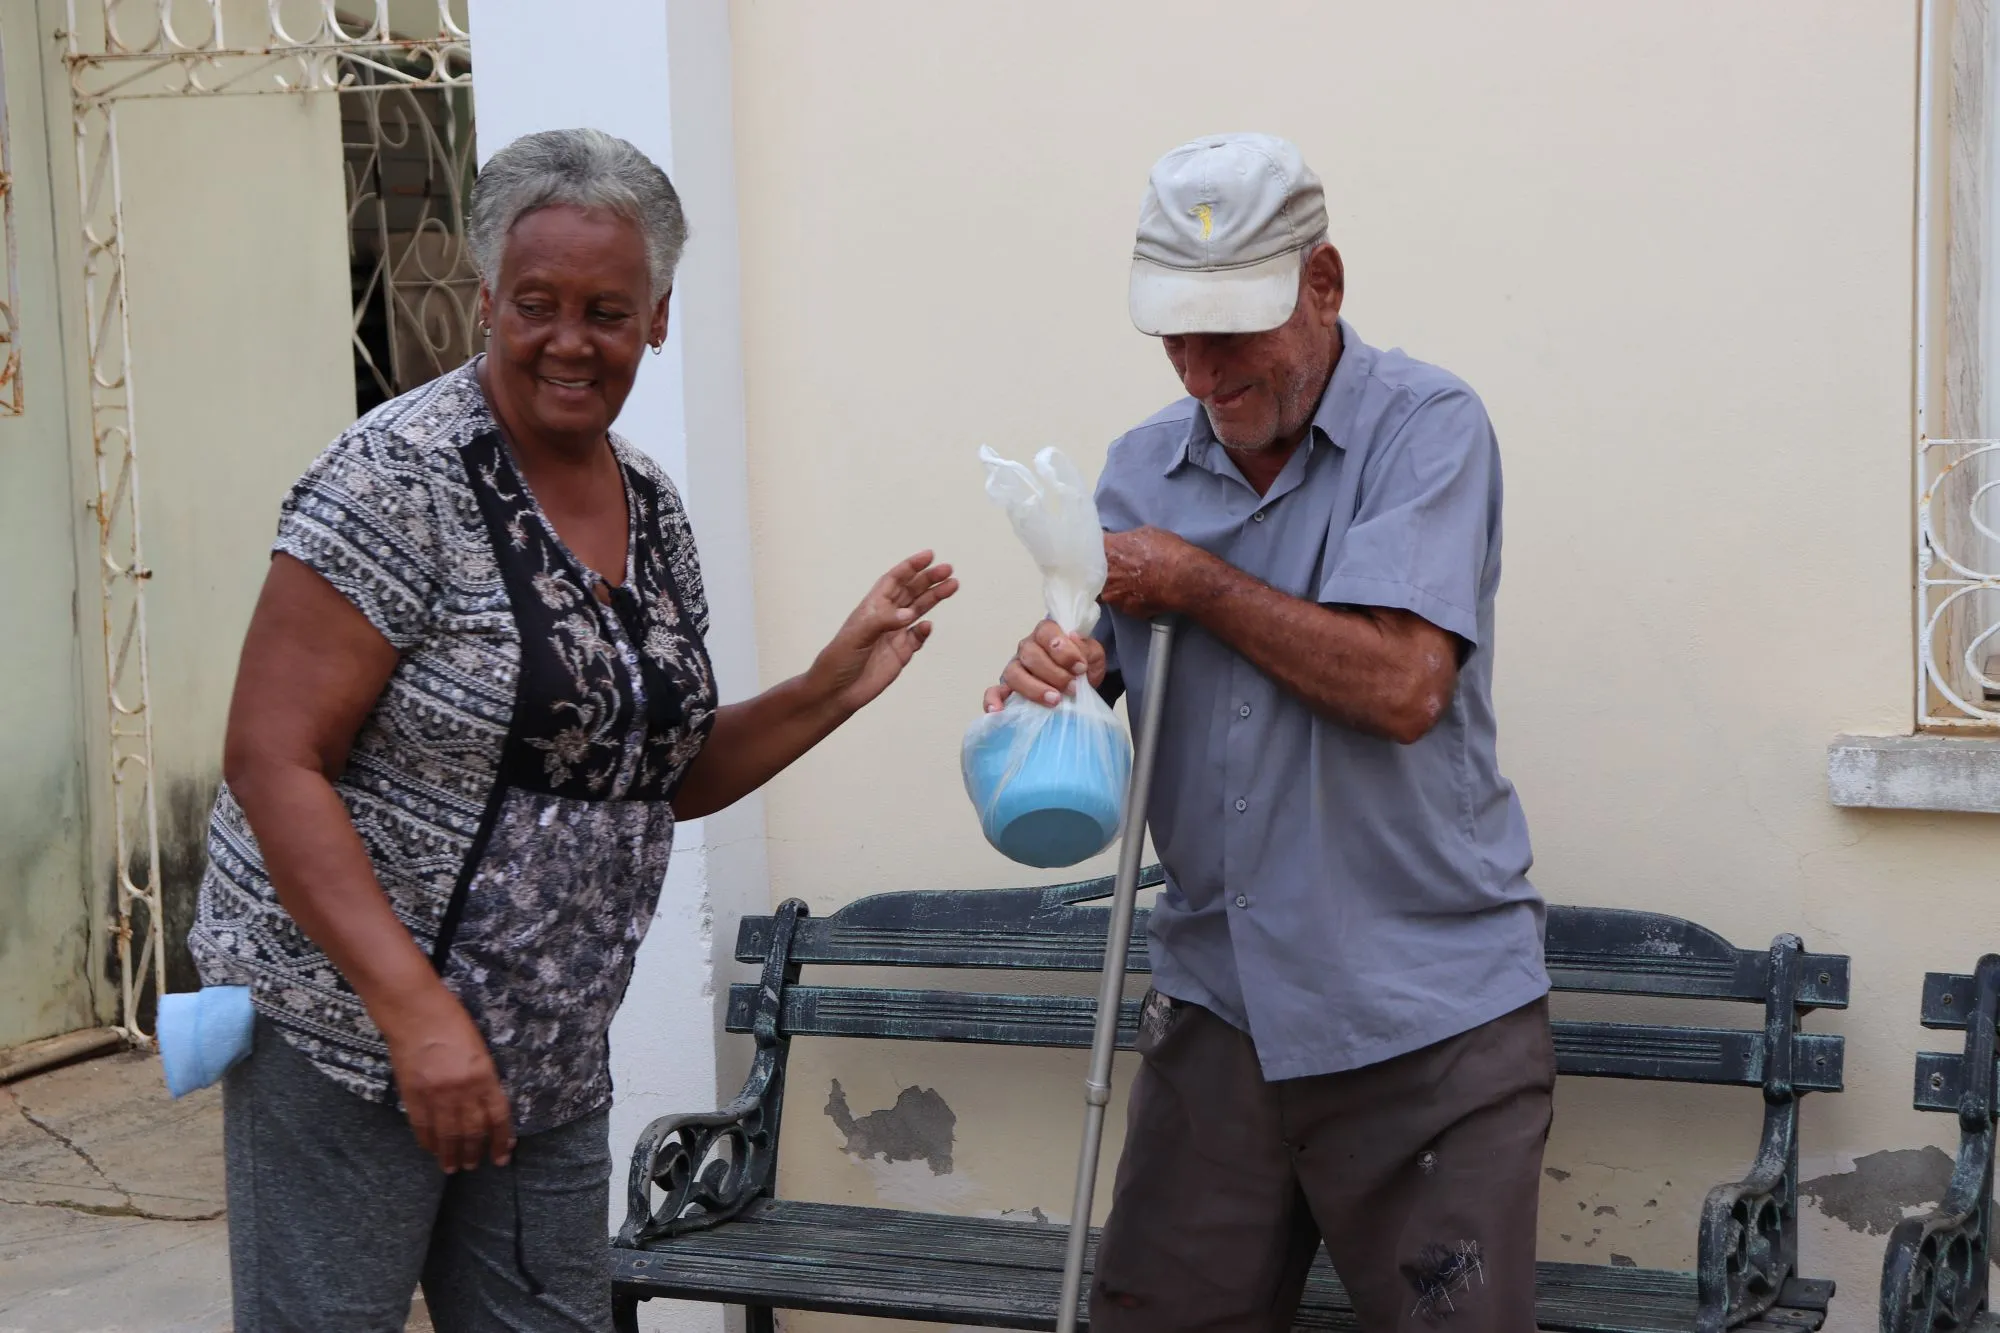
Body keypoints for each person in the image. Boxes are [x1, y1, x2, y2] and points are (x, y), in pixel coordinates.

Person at [190, 127, 957, 1332]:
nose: (567, 340)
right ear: (485, 298)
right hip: (352, 1036)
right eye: (534, 303)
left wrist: (826, 687)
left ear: (656, 317)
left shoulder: (651, 508)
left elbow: (652, 777)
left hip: (542, 1060)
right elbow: (273, 756)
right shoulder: (395, 478)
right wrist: (416, 1015)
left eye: (607, 309)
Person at [986, 133, 1552, 1332]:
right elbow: (1105, 688)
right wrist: (1055, 677)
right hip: (1219, 1012)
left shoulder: (1428, 427)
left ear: (1324, 284)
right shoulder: (1139, 470)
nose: (1198, 371)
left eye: (1230, 332)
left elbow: (1403, 686)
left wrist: (1194, 582)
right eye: (1173, 336)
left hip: (1423, 1020)